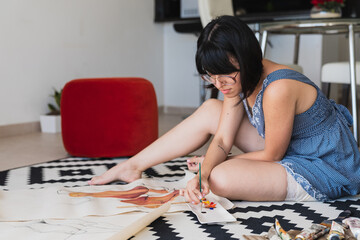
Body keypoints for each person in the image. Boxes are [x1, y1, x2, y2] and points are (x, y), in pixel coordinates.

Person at [89, 15, 360, 203]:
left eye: (225, 75)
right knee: (210, 110)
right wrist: (205, 167)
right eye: (211, 76)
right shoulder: (238, 78)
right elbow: (222, 138)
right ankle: (132, 165)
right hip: (292, 148)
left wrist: (212, 167)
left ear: (245, 59)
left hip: (323, 166)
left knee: (219, 178)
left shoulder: (279, 88)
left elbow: (272, 154)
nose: (220, 84)